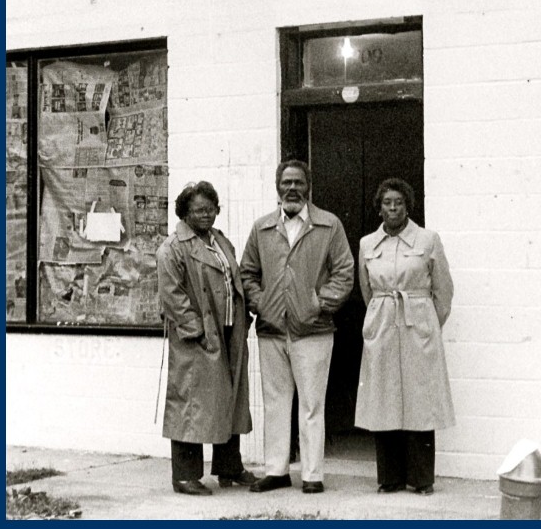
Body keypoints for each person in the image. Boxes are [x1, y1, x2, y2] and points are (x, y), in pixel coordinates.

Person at [240, 159, 354, 495]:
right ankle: (275, 471)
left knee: (311, 404)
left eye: (298, 182)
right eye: (286, 182)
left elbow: (344, 273)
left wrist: (320, 303)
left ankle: (312, 474)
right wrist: (261, 303)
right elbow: (248, 273)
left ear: (309, 187)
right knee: (274, 403)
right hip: (272, 330)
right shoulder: (262, 228)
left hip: (314, 330)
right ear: (278, 187)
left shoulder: (328, 226)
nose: (292, 188)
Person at [354, 178, 455, 495]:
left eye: (398, 202)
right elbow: (367, 290)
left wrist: (426, 323)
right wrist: (379, 321)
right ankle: (390, 478)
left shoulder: (428, 240)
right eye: (387, 202)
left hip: (418, 325)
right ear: (379, 207)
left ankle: (422, 479)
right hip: (383, 325)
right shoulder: (367, 244)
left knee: (419, 400)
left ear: (408, 206)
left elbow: (444, 293)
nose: (393, 208)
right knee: (385, 399)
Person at [156, 181, 257, 496]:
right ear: (185, 212)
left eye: (211, 209)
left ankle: (229, 467)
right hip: (197, 336)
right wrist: (193, 327)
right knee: (190, 402)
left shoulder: (220, 241)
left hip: (228, 330)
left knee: (229, 397)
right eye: (199, 210)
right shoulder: (172, 248)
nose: (206, 215)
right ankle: (185, 476)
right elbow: (171, 294)